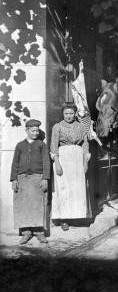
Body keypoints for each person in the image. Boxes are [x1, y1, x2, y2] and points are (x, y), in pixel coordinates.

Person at [50, 102, 91, 231]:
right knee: (63, 189)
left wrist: (85, 162)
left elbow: (85, 144)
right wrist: (57, 163)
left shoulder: (81, 127)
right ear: (63, 114)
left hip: (77, 158)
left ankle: (76, 217)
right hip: (63, 158)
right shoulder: (57, 127)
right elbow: (53, 145)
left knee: (77, 188)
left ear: (75, 114)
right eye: (66, 113)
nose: (68, 116)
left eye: (71, 113)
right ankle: (64, 219)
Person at [10, 119, 50, 245]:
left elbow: (46, 162)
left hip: (37, 178)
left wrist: (45, 178)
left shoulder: (41, 145)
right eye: (33, 131)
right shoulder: (20, 145)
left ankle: (39, 232)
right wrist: (14, 179)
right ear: (26, 130)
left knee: (38, 205)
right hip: (22, 180)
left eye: (37, 130)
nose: (35, 133)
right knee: (24, 205)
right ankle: (26, 232)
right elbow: (15, 163)